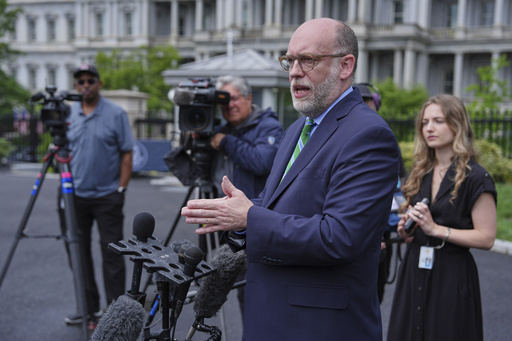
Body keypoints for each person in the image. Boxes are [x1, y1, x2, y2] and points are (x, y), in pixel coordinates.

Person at [182, 18, 399, 340]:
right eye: (290, 60)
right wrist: (237, 215)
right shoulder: (298, 128)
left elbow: (339, 237)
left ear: (345, 65)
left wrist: (250, 216)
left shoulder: (369, 135)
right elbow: (279, 206)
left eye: (308, 60)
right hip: (270, 316)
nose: (295, 71)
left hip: (319, 326)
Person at [387, 94, 497, 341]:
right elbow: (409, 234)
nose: (429, 128)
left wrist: (436, 228)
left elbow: (487, 237)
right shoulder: (419, 172)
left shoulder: (476, 177)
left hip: (452, 273)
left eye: (438, 121)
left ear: (457, 125)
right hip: (414, 267)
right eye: (425, 122)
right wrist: (407, 228)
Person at [62, 64, 135, 327]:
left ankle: (114, 314)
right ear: (76, 85)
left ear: (99, 83)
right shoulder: (68, 115)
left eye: (90, 80)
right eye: (80, 81)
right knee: (77, 253)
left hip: (107, 196)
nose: (85, 85)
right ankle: (87, 308)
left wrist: (121, 189)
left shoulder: (115, 114)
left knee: (112, 254)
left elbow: (127, 151)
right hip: (75, 196)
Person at [355, 82, 407, 303]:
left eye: (369, 102)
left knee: (373, 302)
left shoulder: (385, 139)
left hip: (381, 241)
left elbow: (398, 186)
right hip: (353, 242)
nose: (365, 107)